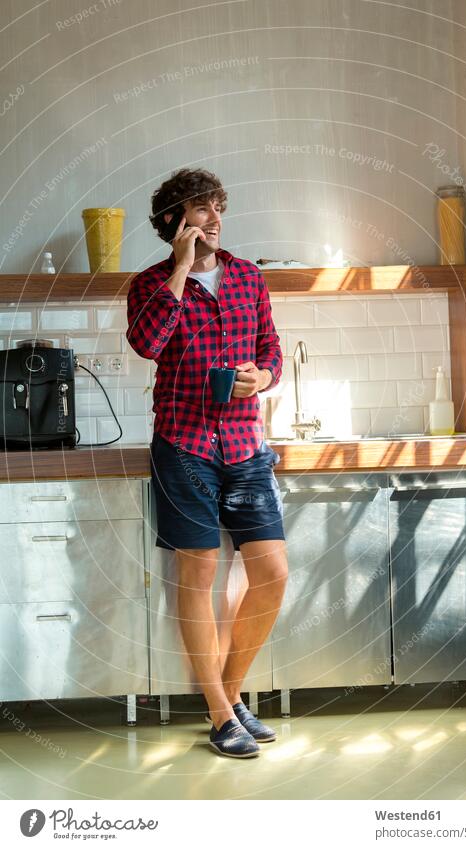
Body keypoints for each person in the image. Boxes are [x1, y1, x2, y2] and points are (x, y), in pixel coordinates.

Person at [126, 168, 288, 759]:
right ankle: (221, 715)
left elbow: (271, 348)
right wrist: (178, 268)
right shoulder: (149, 285)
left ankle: (232, 691)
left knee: (272, 574)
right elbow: (147, 343)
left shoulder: (248, 278)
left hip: (246, 448)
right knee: (197, 575)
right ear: (174, 223)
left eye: (219, 207)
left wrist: (263, 376)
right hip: (184, 449)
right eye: (201, 210)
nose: (216, 219)